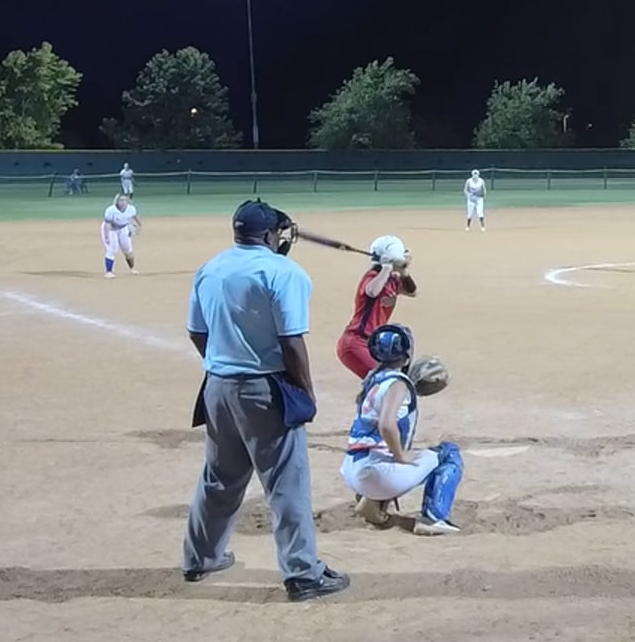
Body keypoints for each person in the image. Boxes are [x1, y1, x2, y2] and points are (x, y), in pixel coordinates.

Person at [182, 200, 348, 602]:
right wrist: (305, 391)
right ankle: (303, 574)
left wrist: (224, 363)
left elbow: (197, 332)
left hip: (217, 386)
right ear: (271, 235)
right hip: (265, 390)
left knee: (219, 477)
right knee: (287, 484)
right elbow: (291, 341)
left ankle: (201, 558)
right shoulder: (283, 272)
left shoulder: (210, 268)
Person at [342, 324, 462, 535]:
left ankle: (372, 501)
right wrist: (400, 456)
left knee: (388, 453)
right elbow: (387, 425)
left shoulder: (373, 378)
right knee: (448, 454)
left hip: (352, 469)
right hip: (375, 474)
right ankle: (432, 519)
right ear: (406, 355)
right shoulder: (398, 384)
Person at [336, 235, 417, 378]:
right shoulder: (372, 276)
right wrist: (387, 267)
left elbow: (412, 292)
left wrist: (404, 273)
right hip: (355, 343)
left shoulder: (393, 279)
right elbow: (372, 292)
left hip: (372, 343)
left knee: (389, 380)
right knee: (386, 379)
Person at [101, 194, 140, 278]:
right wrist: (107, 236)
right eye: (120, 200)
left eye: (124, 200)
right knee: (112, 249)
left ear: (127, 201)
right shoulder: (111, 210)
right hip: (111, 229)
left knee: (127, 249)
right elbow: (107, 224)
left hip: (123, 228)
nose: (122, 202)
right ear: (117, 201)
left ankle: (132, 268)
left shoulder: (131, 209)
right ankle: (108, 272)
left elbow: (134, 218)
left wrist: (137, 226)